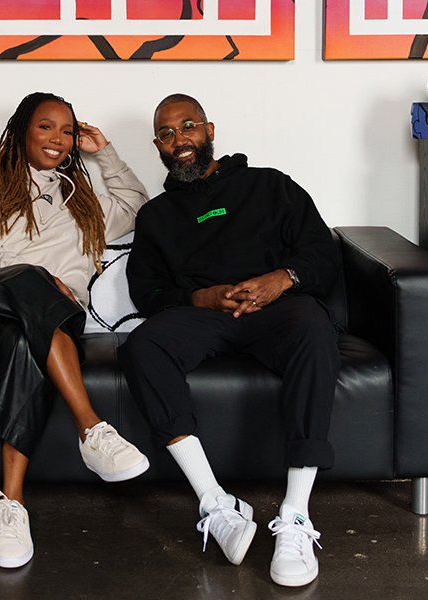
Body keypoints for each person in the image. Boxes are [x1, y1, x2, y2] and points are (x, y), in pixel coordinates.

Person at [118, 93, 343, 587]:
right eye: (167, 133)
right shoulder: (157, 216)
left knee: (313, 326)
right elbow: (148, 292)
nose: (179, 140)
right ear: (157, 144)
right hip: (208, 316)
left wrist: (279, 279)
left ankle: (296, 515)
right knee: (142, 346)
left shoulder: (269, 185)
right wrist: (200, 297)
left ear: (210, 129)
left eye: (188, 126)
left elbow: (322, 255)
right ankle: (215, 502)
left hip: (277, 309)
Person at [0, 91, 151, 569]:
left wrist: (107, 153)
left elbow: (138, 204)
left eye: (68, 131)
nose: (59, 139)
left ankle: (11, 506)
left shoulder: (84, 202)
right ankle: (91, 429)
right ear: (21, 130)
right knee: (31, 284)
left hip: (41, 325)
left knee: (21, 343)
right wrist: (29, 274)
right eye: (46, 127)